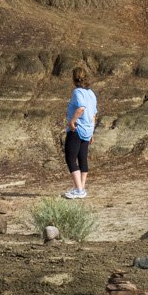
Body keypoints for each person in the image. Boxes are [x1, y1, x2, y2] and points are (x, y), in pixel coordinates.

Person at [62, 66, 97, 199]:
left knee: (70, 158)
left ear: (74, 78)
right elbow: (93, 114)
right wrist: (92, 132)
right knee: (82, 158)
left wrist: (72, 121)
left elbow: (81, 108)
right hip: (87, 130)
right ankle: (81, 189)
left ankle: (79, 189)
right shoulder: (91, 93)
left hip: (77, 129)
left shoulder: (78, 92)